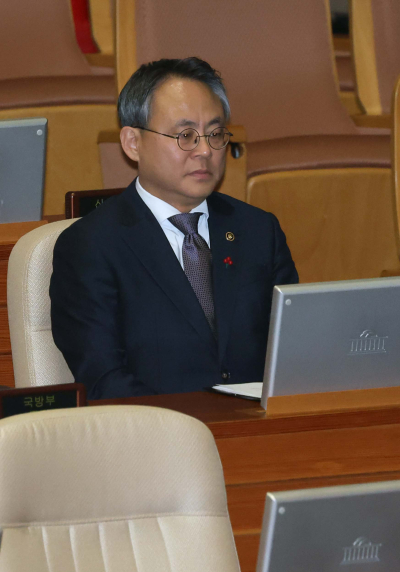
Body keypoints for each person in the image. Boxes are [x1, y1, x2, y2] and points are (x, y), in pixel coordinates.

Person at [50, 57, 298, 399]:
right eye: (185, 136)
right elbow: (104, 381)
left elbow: (293, 354)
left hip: (261, 434)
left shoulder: (258, 231)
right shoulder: (91, 245)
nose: (204, 151)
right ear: (132, 143)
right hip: (160, 441)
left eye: (214, 134)